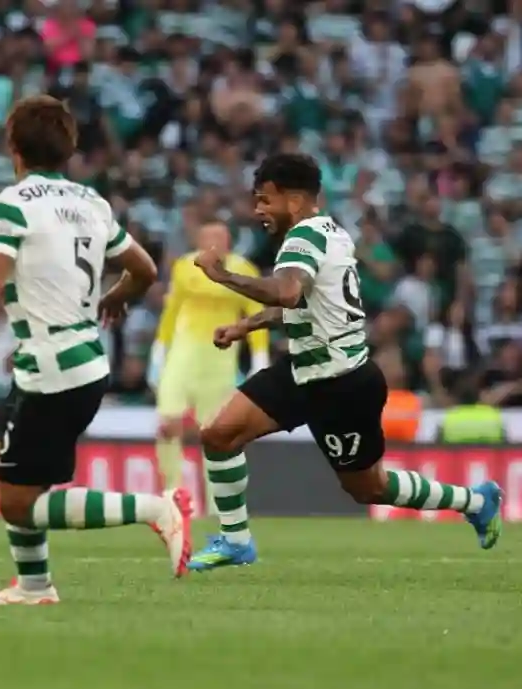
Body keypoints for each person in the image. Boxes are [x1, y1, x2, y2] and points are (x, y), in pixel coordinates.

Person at [0, 95, 193, 606]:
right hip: (85, 361)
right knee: (17, 484)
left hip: (52, 368)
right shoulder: (91, 203)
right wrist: (116, 297)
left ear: (13, 147)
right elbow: (145, 269)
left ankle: (156, 509)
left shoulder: (10, 206)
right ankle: (34, 586)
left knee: (16, 501)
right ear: (68, 147)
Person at [188, 153, 503, 572]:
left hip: (341, 383)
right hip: (304, 370)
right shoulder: (331, 233)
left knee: (369, 487)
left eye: (265, 199)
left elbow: (286, 292)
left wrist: (222, 275)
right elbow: (304, 302)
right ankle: (235, 541)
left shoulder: (302, 240)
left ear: (294, 200)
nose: (258, 210)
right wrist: (246, 325)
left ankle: (475, 501)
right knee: (219, 435)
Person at [150, 221, 270, 497]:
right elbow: (172, 309)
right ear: (199, 242)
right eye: (209, 238)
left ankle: (219, 501)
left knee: (216, 433)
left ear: (229, 242)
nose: (215, 244)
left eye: (221, 238)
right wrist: (160, 347)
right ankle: (172, 492)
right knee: (168, 423)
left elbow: (255, 314)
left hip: (221, 360)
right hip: (183, 353)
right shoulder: (185, 267)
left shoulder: (243, 270)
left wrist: (259, 356)